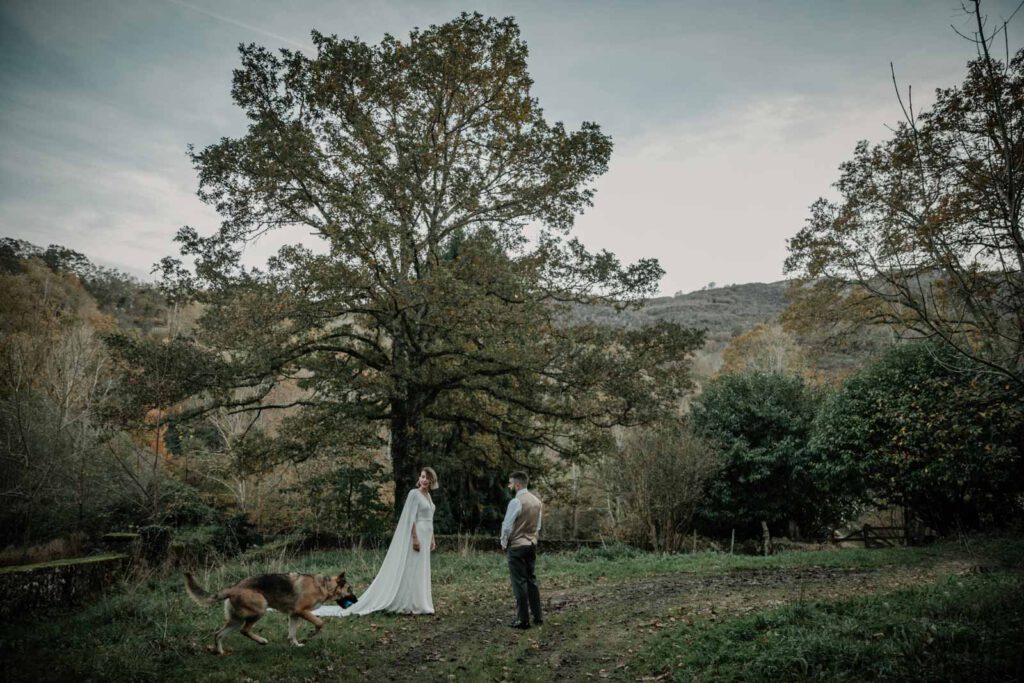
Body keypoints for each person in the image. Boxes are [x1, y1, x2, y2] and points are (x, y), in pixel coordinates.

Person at [315, 467, 438, 617]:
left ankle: (421, 602)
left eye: (427, 477)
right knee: (412, 568)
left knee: (421, 569)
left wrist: (432, 538)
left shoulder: (429, 496)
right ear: (419, 478)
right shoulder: (414, 494)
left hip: (427, 535)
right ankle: (409, 602)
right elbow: (411, 518)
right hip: (418, 534)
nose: (424, 480)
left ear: (432, 480)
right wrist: (414, 538)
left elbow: (430, 519)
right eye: (422, 476)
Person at [500, 470, 543, 630]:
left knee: (519, 582)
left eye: (510, 483)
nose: (509, 486)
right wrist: (533, 538)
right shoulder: (537, 501)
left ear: (517, 485)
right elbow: (538, 526)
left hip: (517, 546)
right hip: (532, 544)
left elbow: (507, 525)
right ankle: (538, 616)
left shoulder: (515, 502)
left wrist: (504, 542)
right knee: (531, 580)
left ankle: (523, 619)